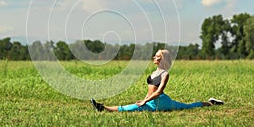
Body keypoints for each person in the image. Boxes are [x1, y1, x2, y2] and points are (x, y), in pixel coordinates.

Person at [91, 49, 224, 112]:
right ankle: (102, 107)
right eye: (155, 55)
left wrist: (144, 101)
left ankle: (211, 103)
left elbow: (159, 91)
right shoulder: (154, 72)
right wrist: (143, 98)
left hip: (162, 101)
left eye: (157, 56)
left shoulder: (165, 74)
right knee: (131, 107)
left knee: (188, 106)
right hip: (152, 101)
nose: (154, 57)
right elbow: (150, 90)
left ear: (163, 59)